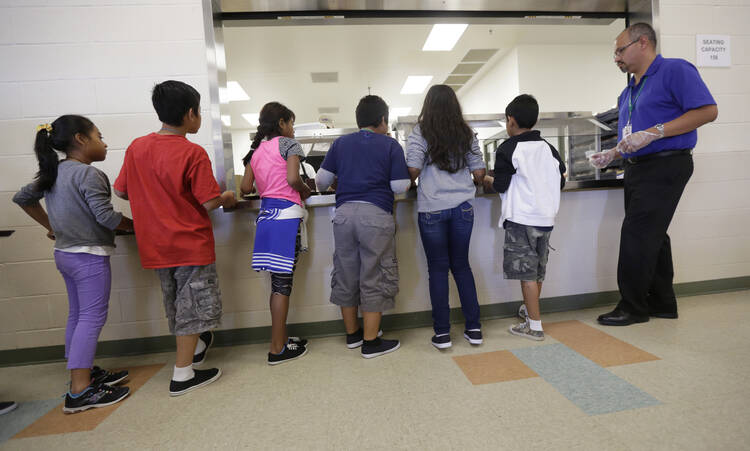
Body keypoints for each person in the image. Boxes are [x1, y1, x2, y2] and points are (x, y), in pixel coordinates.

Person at [590, 23, 717, 326]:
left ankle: (632, 307)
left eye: (620, 50)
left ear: (643, 43)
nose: (616, 58)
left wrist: (656, 132)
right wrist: (614, 154)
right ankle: (662, 302)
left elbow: (708, 111)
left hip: (666, 164)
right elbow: (633, 137)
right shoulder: (628, 92)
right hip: (637, 168)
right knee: (653, 235)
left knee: (636, 234)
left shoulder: (675, 70)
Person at [114, 80, 236, 396]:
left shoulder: (136, 147)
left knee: (177, 305)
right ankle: (183, 375)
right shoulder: (192, 153)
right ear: (190, 113)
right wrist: (227, 196)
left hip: (154, 245)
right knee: (193, 309)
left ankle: (194, 351)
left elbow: (121, 190)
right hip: (189, 244)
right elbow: (209, 202)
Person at [13, 115, 133, 412]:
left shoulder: (54, 172)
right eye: (99, 136)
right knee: (91, 318)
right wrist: (137, 226)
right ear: (81, 139)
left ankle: (82, 372)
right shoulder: (89, 174)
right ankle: (80, 391)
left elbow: (22, 197)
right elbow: (105, 217)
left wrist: (50, 225)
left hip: (65, 255)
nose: (104, 143)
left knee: (78, 315)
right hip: (88, 256)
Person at [316, 95, 410, 358]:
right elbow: (400, 186)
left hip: (343, 215)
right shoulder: (390, 145)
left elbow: (321, 182)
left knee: (346, 273)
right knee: (374, 274)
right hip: (375, 214)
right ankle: (371, 342)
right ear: (382, 120)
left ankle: (353, 335)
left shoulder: (341, 143)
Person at [406, 84, 486, 349]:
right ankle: (474, 329)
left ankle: (442, 334)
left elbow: (413, 171)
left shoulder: (420, 132)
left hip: (432, 209)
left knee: (438, 270)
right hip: (462, 207)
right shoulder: (465, 133)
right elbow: (479, 173)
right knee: (462, 266)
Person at [483, 95, 566, 341]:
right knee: (537, 272)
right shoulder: (549, 148)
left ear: (511, 120)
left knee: (527, 275)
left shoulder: (508, 148)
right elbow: (561, 179)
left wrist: (484, 179)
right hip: (546, 219)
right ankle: (531, 317)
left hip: (521, 220)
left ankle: (535, 326)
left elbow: (500, 185)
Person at [240, 102, 311, 365]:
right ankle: (277, 348)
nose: (292, 128)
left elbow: (246, 187)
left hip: (266, 220)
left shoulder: (256, 151)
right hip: (287, 220)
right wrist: (304, 190)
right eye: (291, 122)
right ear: (281, 123)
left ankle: (280, 339)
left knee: (277, 285)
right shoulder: (289, 145)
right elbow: (293, 179)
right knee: (283, 286)